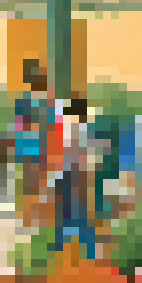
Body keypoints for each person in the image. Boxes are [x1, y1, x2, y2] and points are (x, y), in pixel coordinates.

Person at [49, 97, 98, 261]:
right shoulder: (82, 129)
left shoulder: (71, 129)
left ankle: (63, 250)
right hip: (74, 175)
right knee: (73, 214)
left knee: (71, 214)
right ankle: (78, 252)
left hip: (73, 175)